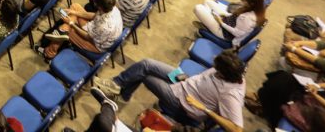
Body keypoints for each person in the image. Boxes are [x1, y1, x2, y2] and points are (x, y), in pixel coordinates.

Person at [93, 50, 246, 132]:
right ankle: (116, 86)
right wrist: (189, 78)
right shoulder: (235, 72)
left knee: (145, 76)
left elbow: (237, 129)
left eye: (217, 69)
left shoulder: (231, 95)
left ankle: (119, 92)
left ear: (225, 74)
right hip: (184, 81)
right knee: (146, 64)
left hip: (183, 102)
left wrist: (205, 109)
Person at [40, 0, 122, 58]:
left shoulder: (104, 26)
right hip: (93, 27)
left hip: (95, 44)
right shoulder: (111, 7)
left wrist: (71, 24)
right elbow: (95, 16)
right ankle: (61, 32)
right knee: (75, 6)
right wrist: (74, 12)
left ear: (99, 6)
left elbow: (88, 37)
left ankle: (49, 53)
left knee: (65, 29)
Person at [193, 0, 266, 47]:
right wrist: (226, 16)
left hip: (223, 32)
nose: (241, 0)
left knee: (197, 8)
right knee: (207, 2)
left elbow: (237, 33)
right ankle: (208, 22)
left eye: (243, 0)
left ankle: (208, 26)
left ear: (251, 4)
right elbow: (235, 16)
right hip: (227, 21)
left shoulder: (248, 19)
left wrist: (221, 23)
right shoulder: (253, 9)